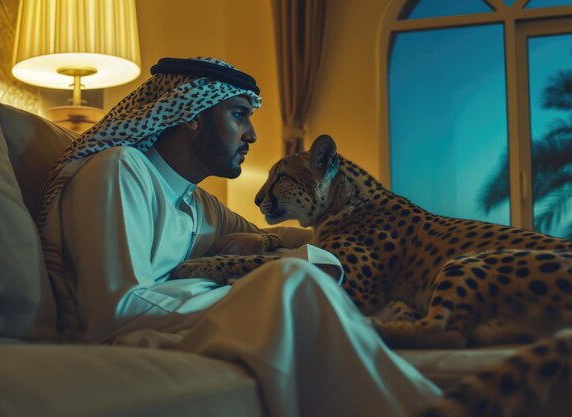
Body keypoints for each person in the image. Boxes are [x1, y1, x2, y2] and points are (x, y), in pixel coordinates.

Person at [39, 56, 440, 417]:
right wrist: (247, 285)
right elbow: (115, 313)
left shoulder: (201, 204)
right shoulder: (120, 170)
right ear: (192, 114)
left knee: (298, 279)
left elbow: (294, 246)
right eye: (238, 115)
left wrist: (265, 243)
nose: (251, 135)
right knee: (291, 282)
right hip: (127, 341)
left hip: (178, 326)